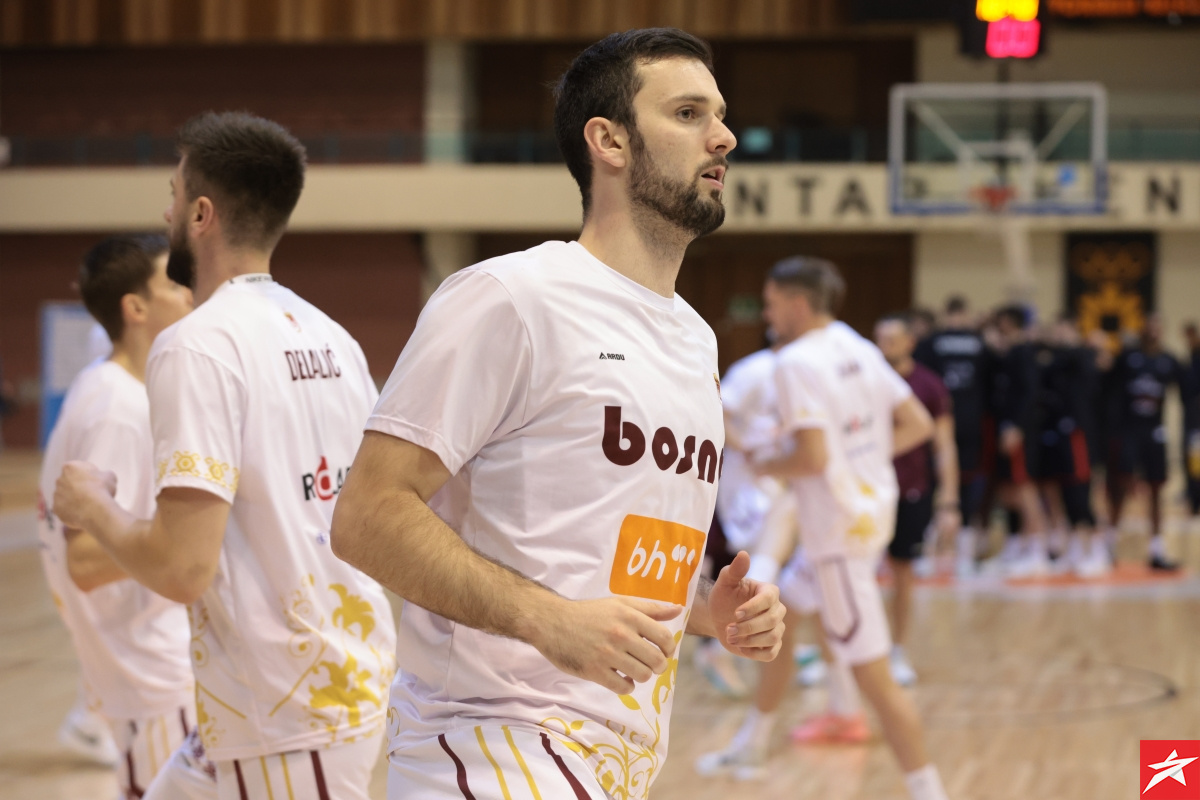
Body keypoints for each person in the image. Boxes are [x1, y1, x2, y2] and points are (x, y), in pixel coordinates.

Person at [330, 29, 786, 800]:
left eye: (719, 115)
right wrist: (547, 620)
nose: (724, 137)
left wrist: (707, 614)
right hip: (490, 742)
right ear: (609, 141)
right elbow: (367, 515)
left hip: (615, 755)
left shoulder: (695, 336)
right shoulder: (511, 297)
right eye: (688, 113)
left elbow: (601, 557)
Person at [53, 112, 396, 800]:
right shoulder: (333, 336)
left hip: (288, 707)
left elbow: (181, 566)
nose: (167, 212)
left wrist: (91, 505)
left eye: (175, 195)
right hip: (285, 691)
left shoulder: (197, 344)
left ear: (201, 214)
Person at [698, 257, 948, 800]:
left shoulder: (794, 363)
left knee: (876, 681)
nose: (767, 316)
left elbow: (810, 458)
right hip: (864, 520)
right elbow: (918, 424)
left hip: (838, 539)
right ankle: (754, 739)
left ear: (797, 304)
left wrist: (765, 462)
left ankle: (929, 790)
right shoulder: (859, 347)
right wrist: (859, 462)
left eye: (770, 305)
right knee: (775, 614)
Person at [38, 235, 208, 799]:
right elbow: (86, 560)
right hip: (153, 675)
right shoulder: (120, 409)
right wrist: (198, 536)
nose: (190, 295)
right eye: (173, 286)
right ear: (135, 308)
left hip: (148, 670)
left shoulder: (110, 387)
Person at [875, 313, 958, 684]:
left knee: (903, 572)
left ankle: (897, 649)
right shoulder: (865, 379)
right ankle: (850, 653)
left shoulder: (929, 385)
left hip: (911, 491)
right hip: (867, 492)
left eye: (892, 339)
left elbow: (944, 446)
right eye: (880, 339)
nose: (884, 346)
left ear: (909, 342)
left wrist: (949, 501)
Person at [1103, 315, 1189, 570]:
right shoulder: (1129, 356)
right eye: (1149, 327)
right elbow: (1107, 383)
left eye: (1157, 328)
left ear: (1162, 331)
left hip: (1155, 432)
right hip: (1128, 430)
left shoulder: (1169, 360)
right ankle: (1110, 544)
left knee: (1156, 488)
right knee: (1121, 485)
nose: (1153, 332)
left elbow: (1187, 389)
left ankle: (1156, 549)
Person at [914, 296, 989, 577]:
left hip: (941, 420)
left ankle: (929, 551)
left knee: (932, 483)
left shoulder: (931, 342)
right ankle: (959, 554)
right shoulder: (980, 342)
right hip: (968, 421)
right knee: (963, 485)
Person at [1031, 316, 1109, 577]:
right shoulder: (1054, 360)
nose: (1059, 334)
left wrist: (1090, 346)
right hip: (1057, 432)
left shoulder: (1083, 356)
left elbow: (1095, 370)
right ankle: (1074, 551)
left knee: (1081, 492)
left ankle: (1098, 551)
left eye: (1064, 329)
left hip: (1079, 433)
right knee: (1064, 492)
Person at [988, 305, 1050, 576]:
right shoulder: (1010, 352)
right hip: (1006, 427)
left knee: (1025, 488)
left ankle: (1038, 551)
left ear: (1009, 322)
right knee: (1009, 491)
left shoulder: (1024, 352)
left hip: (1019, 431)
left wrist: (1016, 426)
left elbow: (1029, 393)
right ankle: (1019, 546)